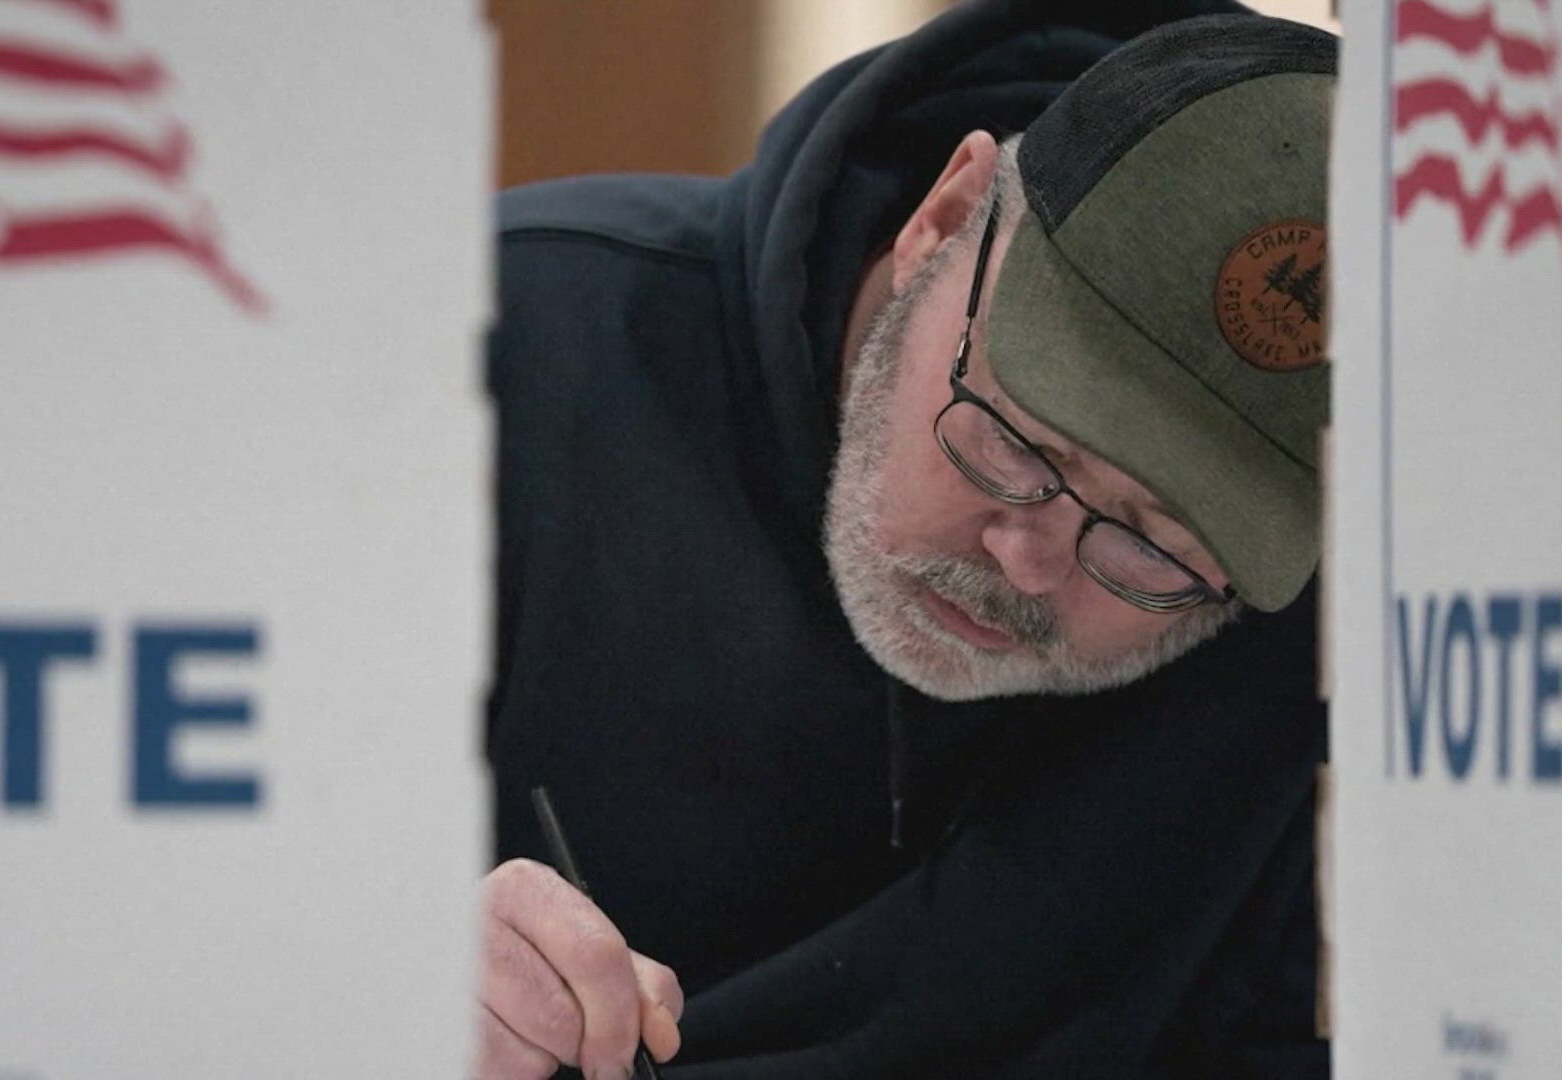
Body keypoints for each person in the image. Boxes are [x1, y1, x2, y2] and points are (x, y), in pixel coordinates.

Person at [479, 3, 1335, 1077]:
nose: (1029, 561)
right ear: (945, 214)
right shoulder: (495, 362)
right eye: (1018, 444)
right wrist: (345, 972)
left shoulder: (1328, 641)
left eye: (1156, 545)